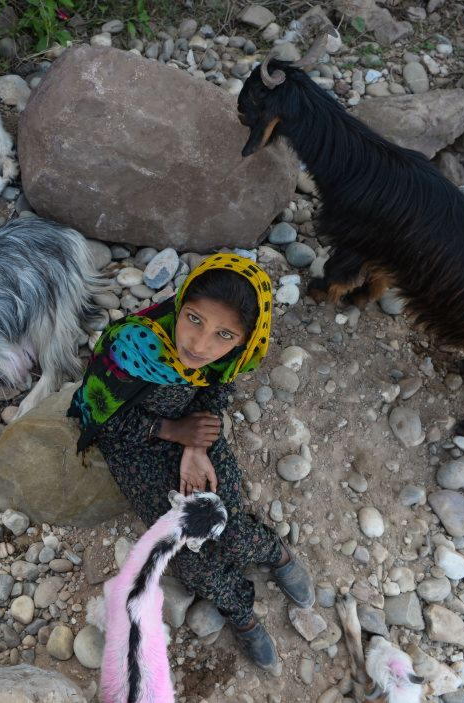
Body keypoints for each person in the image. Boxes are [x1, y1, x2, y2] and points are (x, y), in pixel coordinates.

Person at [69, 253, 314, 671]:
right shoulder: (131, 347)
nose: (200, 346)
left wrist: (196, 447)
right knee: (185, 548)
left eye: (223, 335)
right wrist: (170, 432)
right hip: (137, 447)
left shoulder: (229, 355)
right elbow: (102, 421)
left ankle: (275, 553)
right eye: (194, 319)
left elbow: (215, 390)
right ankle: (240, 610)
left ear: (243, 340)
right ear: (181, 303)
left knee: (230, 524)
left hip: (195, 431)